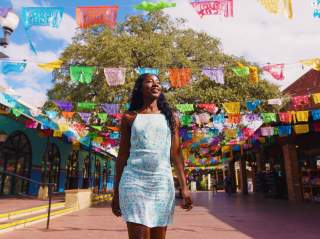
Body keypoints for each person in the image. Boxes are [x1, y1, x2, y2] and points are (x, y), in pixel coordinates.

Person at [111, 73, 193, 239]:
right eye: (150, 82)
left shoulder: (171, 118)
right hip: (134, 181)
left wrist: (184, 187)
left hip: (162, 183)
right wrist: (116, 191)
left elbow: (176, 154)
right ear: (140, 88)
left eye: (158, 82)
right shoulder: (129, 118)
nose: (156, 85)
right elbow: (122, 157)